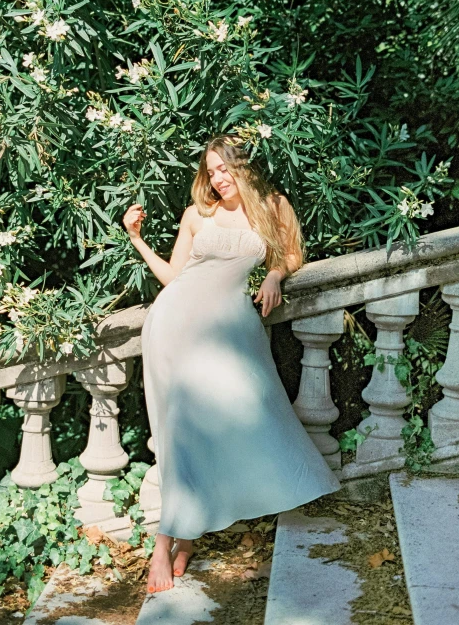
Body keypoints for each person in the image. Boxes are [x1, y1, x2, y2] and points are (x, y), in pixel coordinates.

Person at [122, 133, 341, 595]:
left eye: (224, 168)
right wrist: (137, 239)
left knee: (244, 415)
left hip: (227, 334)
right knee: (179, 428)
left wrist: (276, 274)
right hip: (174, 326)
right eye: (211, 170)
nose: (217, 178)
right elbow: (174, 278)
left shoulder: (272, 205)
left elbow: (291, 251)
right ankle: (167, 542)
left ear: (242, 166)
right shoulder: (197, 215)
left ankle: (186, 535)